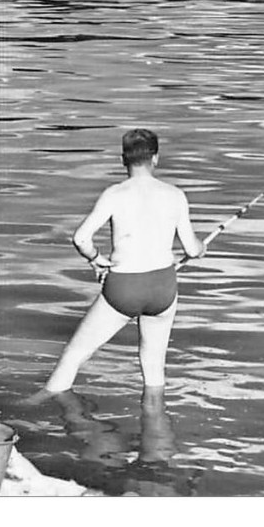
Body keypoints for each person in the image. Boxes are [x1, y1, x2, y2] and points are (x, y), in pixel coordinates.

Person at [40, 129, 205, 395]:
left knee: (74, 356)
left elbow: (81, 238)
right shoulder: (175, 195)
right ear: (156, 159)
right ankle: (157, 429)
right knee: (154, 368)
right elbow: (191, 248)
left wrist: (96, 259)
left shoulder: (114, 194)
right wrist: (201, 248)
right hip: (163, 286)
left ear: (123, 160)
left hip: (124, 286)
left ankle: (39, 406)